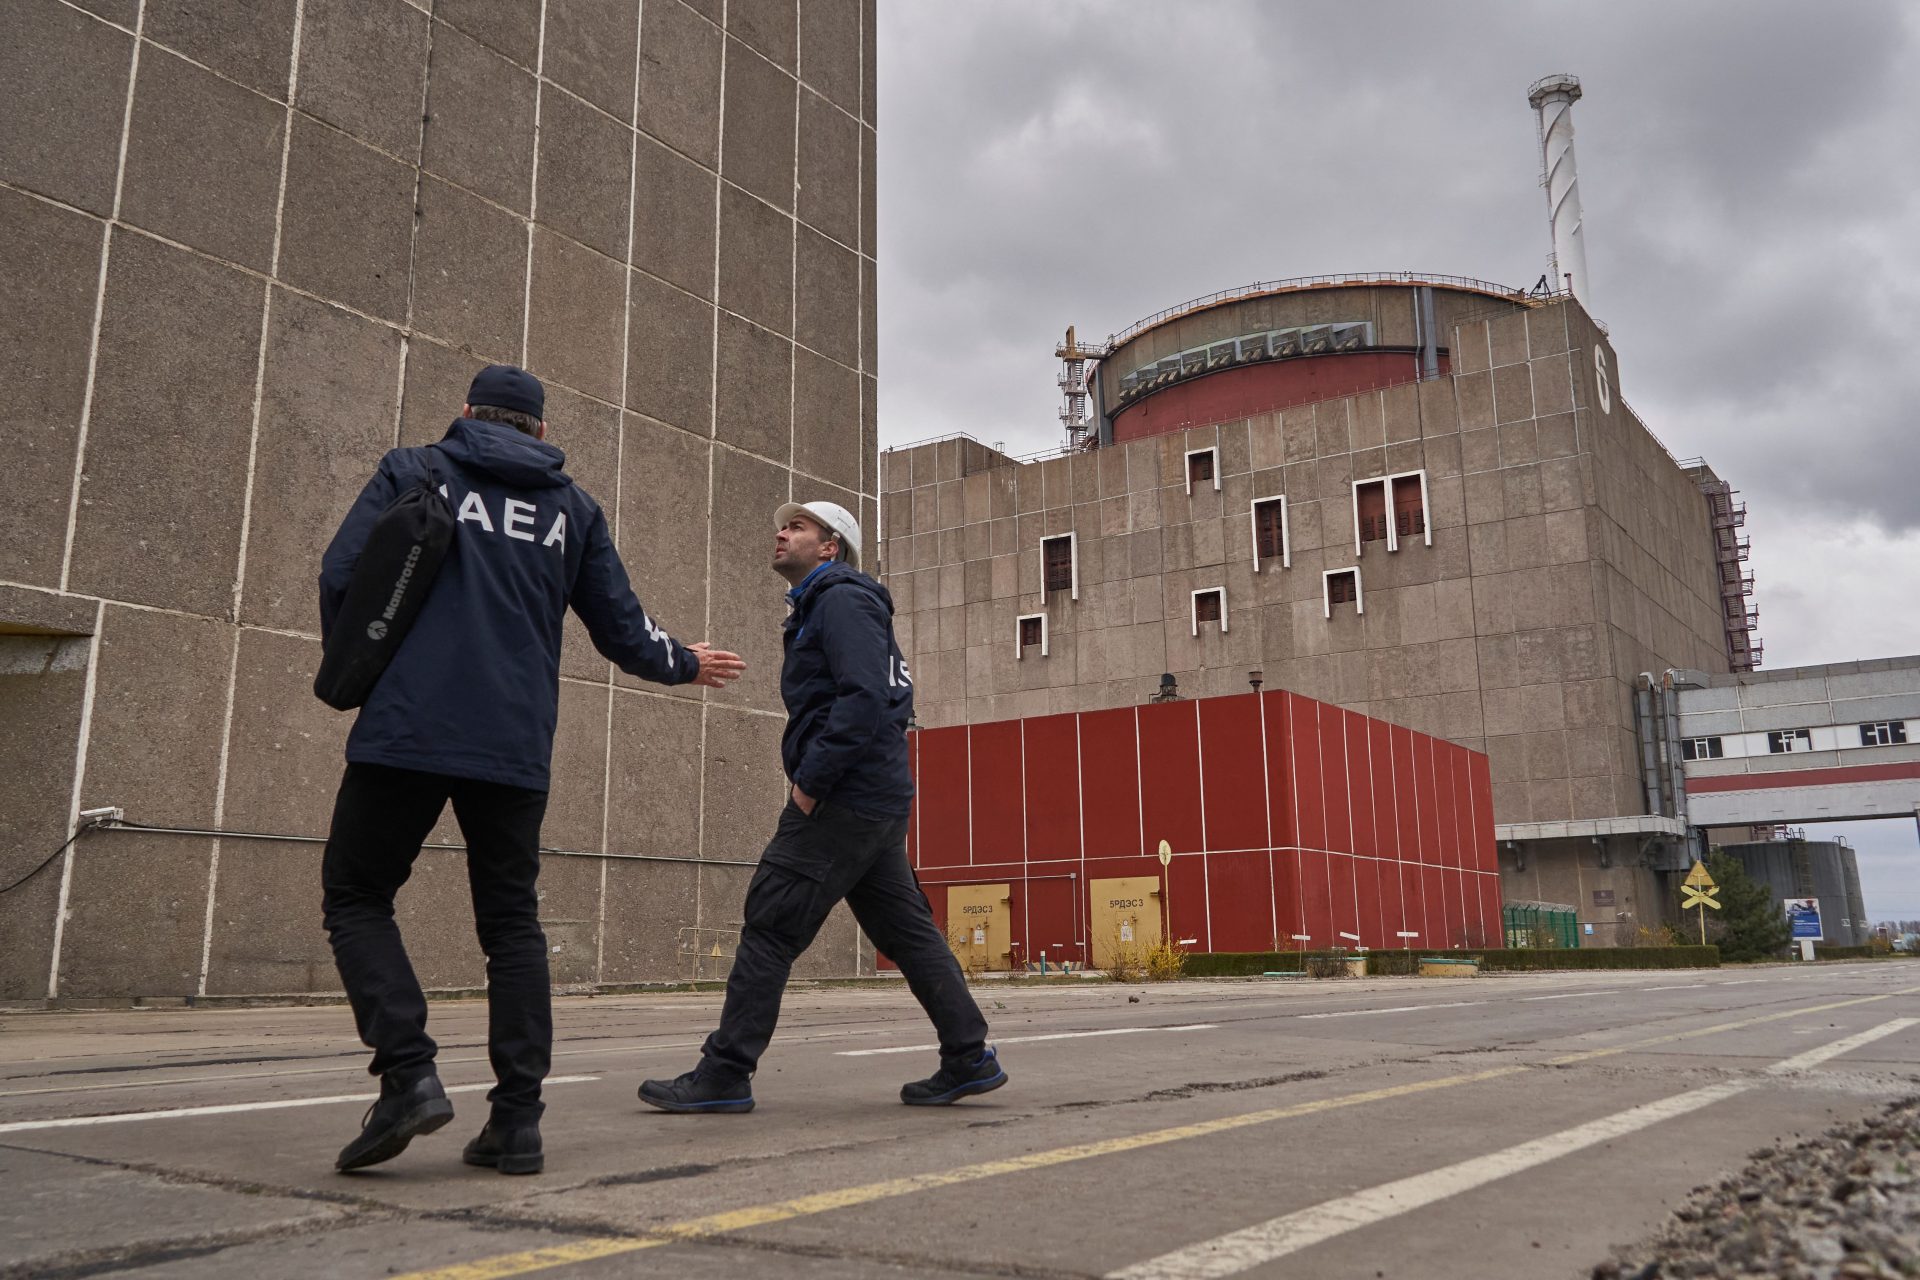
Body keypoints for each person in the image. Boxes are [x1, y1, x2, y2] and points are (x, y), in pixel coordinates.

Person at [319, 364, 744, 1175]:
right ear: (541, 433)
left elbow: (342, 577)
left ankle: (408, 1075)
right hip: (512, 746)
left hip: (407, 730)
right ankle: (516, 1121)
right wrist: (683, 664)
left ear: (465, 413)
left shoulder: (416, 470)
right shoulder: (572, 509)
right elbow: (622, 627)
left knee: (358, 894)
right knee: (511, 924)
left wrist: (363, 667)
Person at [638, 500, 1004, 1113]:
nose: (781, 532)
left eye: (798, 527)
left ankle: (725, 1072)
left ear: (830, 547)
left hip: (841, 797)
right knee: (906, 933)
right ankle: (969, 1055)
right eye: (782, 524)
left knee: (771, 924)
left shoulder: (839, 598)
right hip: (874, 800)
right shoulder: (833, 602)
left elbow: (866, 698)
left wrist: (810, 782)